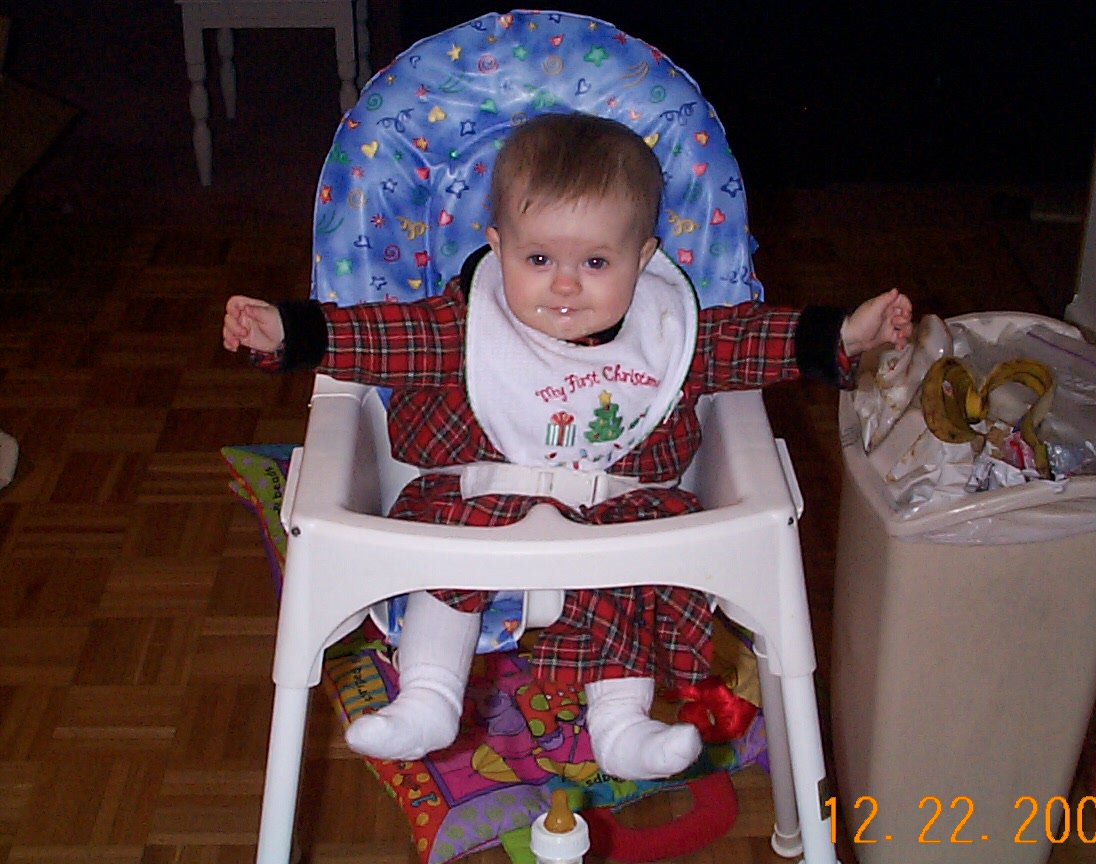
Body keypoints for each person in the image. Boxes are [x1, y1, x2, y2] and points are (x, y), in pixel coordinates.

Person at [223, 113, 912, 780]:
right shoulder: (469, 326)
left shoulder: (669, 333)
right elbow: (380, 337)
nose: (564, 283)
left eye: (596, 261)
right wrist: (288, 333)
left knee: (638, 569)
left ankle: (622, 724)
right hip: (480, 497)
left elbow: (752, 342)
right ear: (497, 246)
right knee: (440, 547)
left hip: (617, 511)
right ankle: (427, 697)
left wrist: (845, 335)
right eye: (539, 258)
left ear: (643, 259)